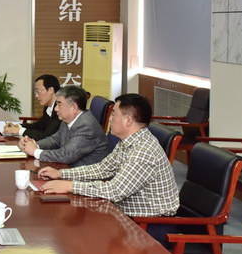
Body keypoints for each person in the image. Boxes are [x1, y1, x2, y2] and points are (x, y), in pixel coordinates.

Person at [37, 93, 179, 221]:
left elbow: (115, 190)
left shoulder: (143, 151)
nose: (110, 119)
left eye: (114, 114)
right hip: (124, 214)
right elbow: (103, 169)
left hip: (149, 223)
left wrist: (69, 186)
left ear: (128, 120)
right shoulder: (128, 141)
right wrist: (61, 174)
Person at [18, 85, 108, 167]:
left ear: (73, 108)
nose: (56, 109)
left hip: (86, 175)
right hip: (67, 168)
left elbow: (66, 155)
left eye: (59, 104)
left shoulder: (86, 126)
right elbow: (55, 140)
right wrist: (34, 145)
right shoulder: (68, 119)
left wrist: (35, 152)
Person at [3, 74, 62, 140]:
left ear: (50, 90)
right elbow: (38, 126)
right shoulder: (48, 107)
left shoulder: (61, 109)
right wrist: (18, 126)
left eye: (38, 91)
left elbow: (46, 135)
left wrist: (19, 130)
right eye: (35, 92)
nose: (36, 96)